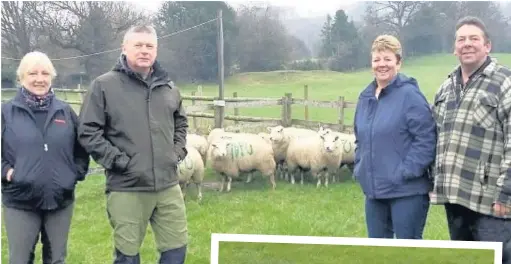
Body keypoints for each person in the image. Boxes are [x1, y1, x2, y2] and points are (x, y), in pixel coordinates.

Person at [77, 25, 189, 264]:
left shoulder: (169, 89)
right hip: (127, 186)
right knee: (127, 258)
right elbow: (88, 132)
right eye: (138, 45)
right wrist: (119, 162)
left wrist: (176, 153)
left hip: (167, 185)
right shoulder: (104, 86)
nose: (144, 51)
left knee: (176, 251)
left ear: (156, 51)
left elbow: (181, 124)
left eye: (149, 46)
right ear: (124, 48)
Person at [430, 16, 511, 263]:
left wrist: (507, 193)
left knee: (497, 259)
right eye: (461, 39)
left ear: (487, 46)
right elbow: (436, 138)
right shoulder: (445, 88)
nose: (467, 44)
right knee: (466, 259)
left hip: (492, 202)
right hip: (454, 198)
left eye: (474, 38)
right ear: (454, 48)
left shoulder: (504, 83)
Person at [1, 51, 90, 263]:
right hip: (20, 200)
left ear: (52, 77)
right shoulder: (6, 113)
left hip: (60, 199)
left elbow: (82, 149)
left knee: (56, 258)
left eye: (45, 73)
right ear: (21, 78)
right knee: (20, 259)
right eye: (33, 73)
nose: (39, 79)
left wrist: (74, 174)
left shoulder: (65, 112)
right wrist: (8, 173)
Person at [353, 35, 437, 239]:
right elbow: (360, 138)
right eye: (377, 60)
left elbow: (426, 139)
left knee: (407, 254)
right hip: (374, 193)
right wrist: (360, 167)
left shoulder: (410, 96)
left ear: (398, 63)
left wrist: (405, 171)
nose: (382, 64)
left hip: (406, 192)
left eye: (388, 59)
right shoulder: (365, 98)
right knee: (378, 254)